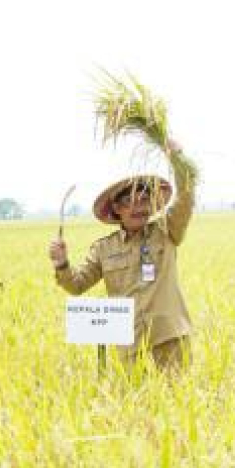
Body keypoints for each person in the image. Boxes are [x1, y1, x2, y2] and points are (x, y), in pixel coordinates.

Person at [49, 140, 197, 372]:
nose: (138, 206)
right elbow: (76, 286)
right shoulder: (103, 249)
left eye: (145, 199)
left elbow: (186, 197)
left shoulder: (167, 232)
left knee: (177, 402)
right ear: (116, 208)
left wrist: (177, 159)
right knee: (135, 404)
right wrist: (62, 263)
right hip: (130, 345)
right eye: (129, 201)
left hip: (169, 338)